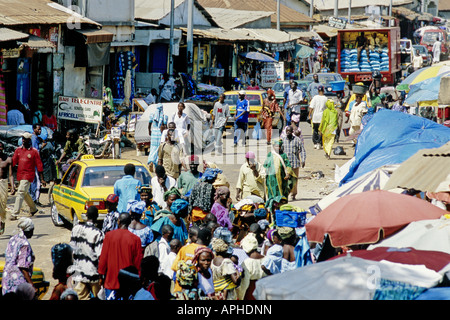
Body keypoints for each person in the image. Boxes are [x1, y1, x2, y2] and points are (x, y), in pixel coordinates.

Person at [98, 212, 143, 301]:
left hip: (111, 281)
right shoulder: (136, 239)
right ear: (129, 222)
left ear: (118, 221)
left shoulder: (109, 236)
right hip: (128, 283)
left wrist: (101, 275)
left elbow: (103, 258)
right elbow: (138, 262)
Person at [70, 206, 104, 300]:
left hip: (78, 272)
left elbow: (71, 249)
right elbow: (100, 255)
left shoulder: (76, 229)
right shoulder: (97, 233)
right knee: (98, 297)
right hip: (93, 273)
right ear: (97, 216)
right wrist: (102, 275)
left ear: (86, 215)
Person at [11, 132, 45, 220]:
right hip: (19, 175)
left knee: (21, 192)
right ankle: (33, 209)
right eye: (22, 138)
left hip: (28, 175)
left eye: (25, 139)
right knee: (25, 193)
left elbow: (39, 165)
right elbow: (13, 162)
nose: (23, 140)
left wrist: (42, 179)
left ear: (29, 140)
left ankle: (15, 213)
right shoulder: (18, 150)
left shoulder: (34, 152)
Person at [1, 218, 35, 295]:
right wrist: (31, 285)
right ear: (28, 230)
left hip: (6, 278)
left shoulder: (13, 238)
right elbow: (23, 267)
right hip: (17, 281)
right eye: (32, 229)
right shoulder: (24, 244)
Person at [237, 233, 267, 300]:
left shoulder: (247, 263)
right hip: (264, 290)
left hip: (251, 292)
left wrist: (240, 296)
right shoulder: (266, 259)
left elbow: (245, 284)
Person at [282, 126, 306, 200]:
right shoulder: (283, 141)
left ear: (292, 132)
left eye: (289, 131)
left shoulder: (297, 140)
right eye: (287, 131)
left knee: (294, 180)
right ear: (286, 132)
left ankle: (293, 194)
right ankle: (285, 194)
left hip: (295, 163)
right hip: (286, 165)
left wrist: (303, 160)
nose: (288, 132)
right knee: (286, 180)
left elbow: (302, 150)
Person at [0, 141, 15, 234]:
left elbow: (10, 175)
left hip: (3, 183)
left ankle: (2, 221)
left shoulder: (8, 159)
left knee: (2, 204)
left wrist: (12, 186)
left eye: (1, 147)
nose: (0, 148)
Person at [147, 103, 168, 169]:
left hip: (154, 133)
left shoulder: (152, 115)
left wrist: (149, 131)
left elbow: (149, 124)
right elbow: (165, 126)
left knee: (153, 148)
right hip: (160, 134)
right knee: (159, 149)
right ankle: (157, 163)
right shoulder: (164, 117)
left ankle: (151, 161)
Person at [308, 85, 328, 149]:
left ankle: (316, 143)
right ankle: (320, 143)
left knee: (315, 130)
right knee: (321, 130)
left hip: (315, 117)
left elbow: (311, 107)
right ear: (323, 91)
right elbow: (327, 109)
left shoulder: (315, 97)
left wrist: (309, 115)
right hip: (322, 117)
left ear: (318, 91)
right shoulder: (325, 98)